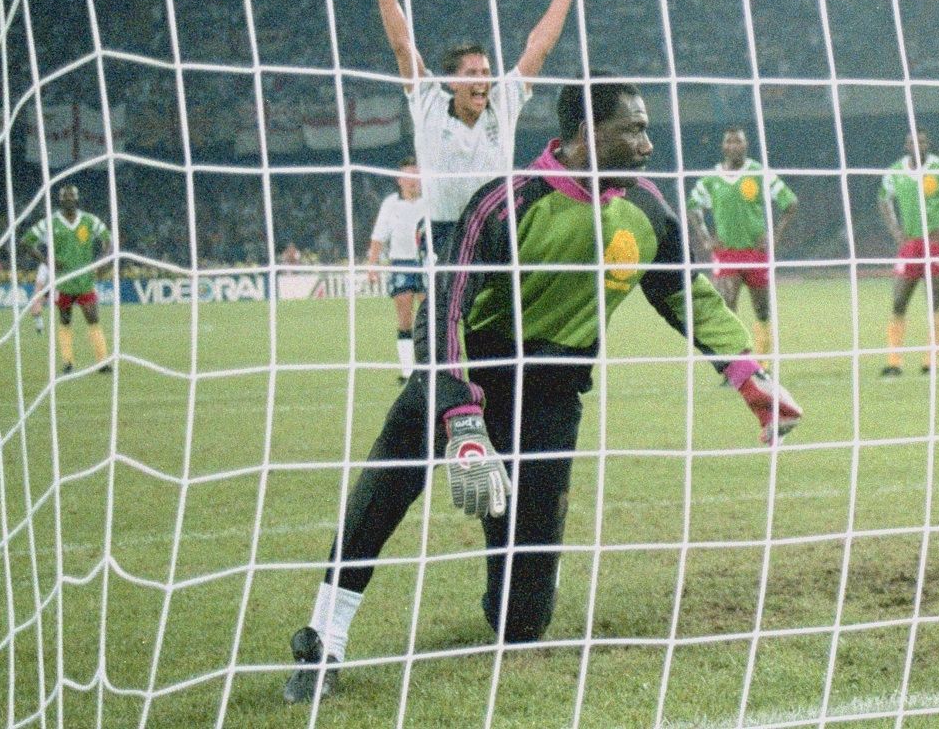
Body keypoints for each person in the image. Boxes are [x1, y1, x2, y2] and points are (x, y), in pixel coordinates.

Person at [283, 82, 802, 704]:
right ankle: (324, 638)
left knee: (521, 623)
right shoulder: (506, 202)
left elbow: (685, 295)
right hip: (466, 371)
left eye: (645, 128)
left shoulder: (647, 209)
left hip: (551, 398)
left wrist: (750, 376)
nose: (647, 142)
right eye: (632, 130)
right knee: (382, 496)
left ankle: (510, 591)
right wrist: (461, 413)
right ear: (586, 130)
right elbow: (443, 307)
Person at [366, 0, 578, 258]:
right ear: (452, 81)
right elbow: (402, 45)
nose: (483, 80)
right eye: (473, 73)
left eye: (487, 72)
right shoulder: (429, 104)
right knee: (444, 309)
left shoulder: (502, 103)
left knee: (502, 307)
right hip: (445, 233)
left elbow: (539, 47)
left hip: (495, 227)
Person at [877, 131, 939, 376]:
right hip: (909, 244)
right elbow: (883, 199)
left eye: (922, 141)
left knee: (934, 300)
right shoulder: (896, 171)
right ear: (906, 145)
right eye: (913, 141)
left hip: (934, 242)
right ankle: (894, 362)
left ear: (928, 144)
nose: (917, 145)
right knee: (899, 300)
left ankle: (931, 360)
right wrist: (894, 229)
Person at [689, 127, 797, 355]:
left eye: (738, 141)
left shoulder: (759, 173)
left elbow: (790, 203)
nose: (734, 146)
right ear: (723, 146)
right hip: (726, 253)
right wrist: (706, 239)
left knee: (762, 310)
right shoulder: (711, 179)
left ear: (746, 146)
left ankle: (764, 364)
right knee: (726, 309)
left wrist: (774, 236)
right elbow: (692, 207)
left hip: (756, 253)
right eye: (729, 141)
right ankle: (738, 364)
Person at [24, 185, 112, 375]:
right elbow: (26, 241)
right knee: (65, 320)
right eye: (65, 196)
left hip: (85, 282)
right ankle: (67, 363)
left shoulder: (89, 221)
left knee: (93, 318)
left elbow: (109, 240)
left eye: (72, 196)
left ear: (77, 199)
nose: (69, 199)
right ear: (60, 200)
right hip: (62, 283)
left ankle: (103, 362)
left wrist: (102, 260)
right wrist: (46, 260)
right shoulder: (50, 222)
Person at [367, 159, 429, 379]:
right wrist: (372, 266)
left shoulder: (430, 201)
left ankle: (428, 365)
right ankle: (407, 370)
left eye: (417, 176)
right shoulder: (391, 204)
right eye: (410, 176)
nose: (414, 181)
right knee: (404, 318)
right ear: (400, 180)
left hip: (425, 264)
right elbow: (378, 236)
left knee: (428, 316)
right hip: (400, 263)